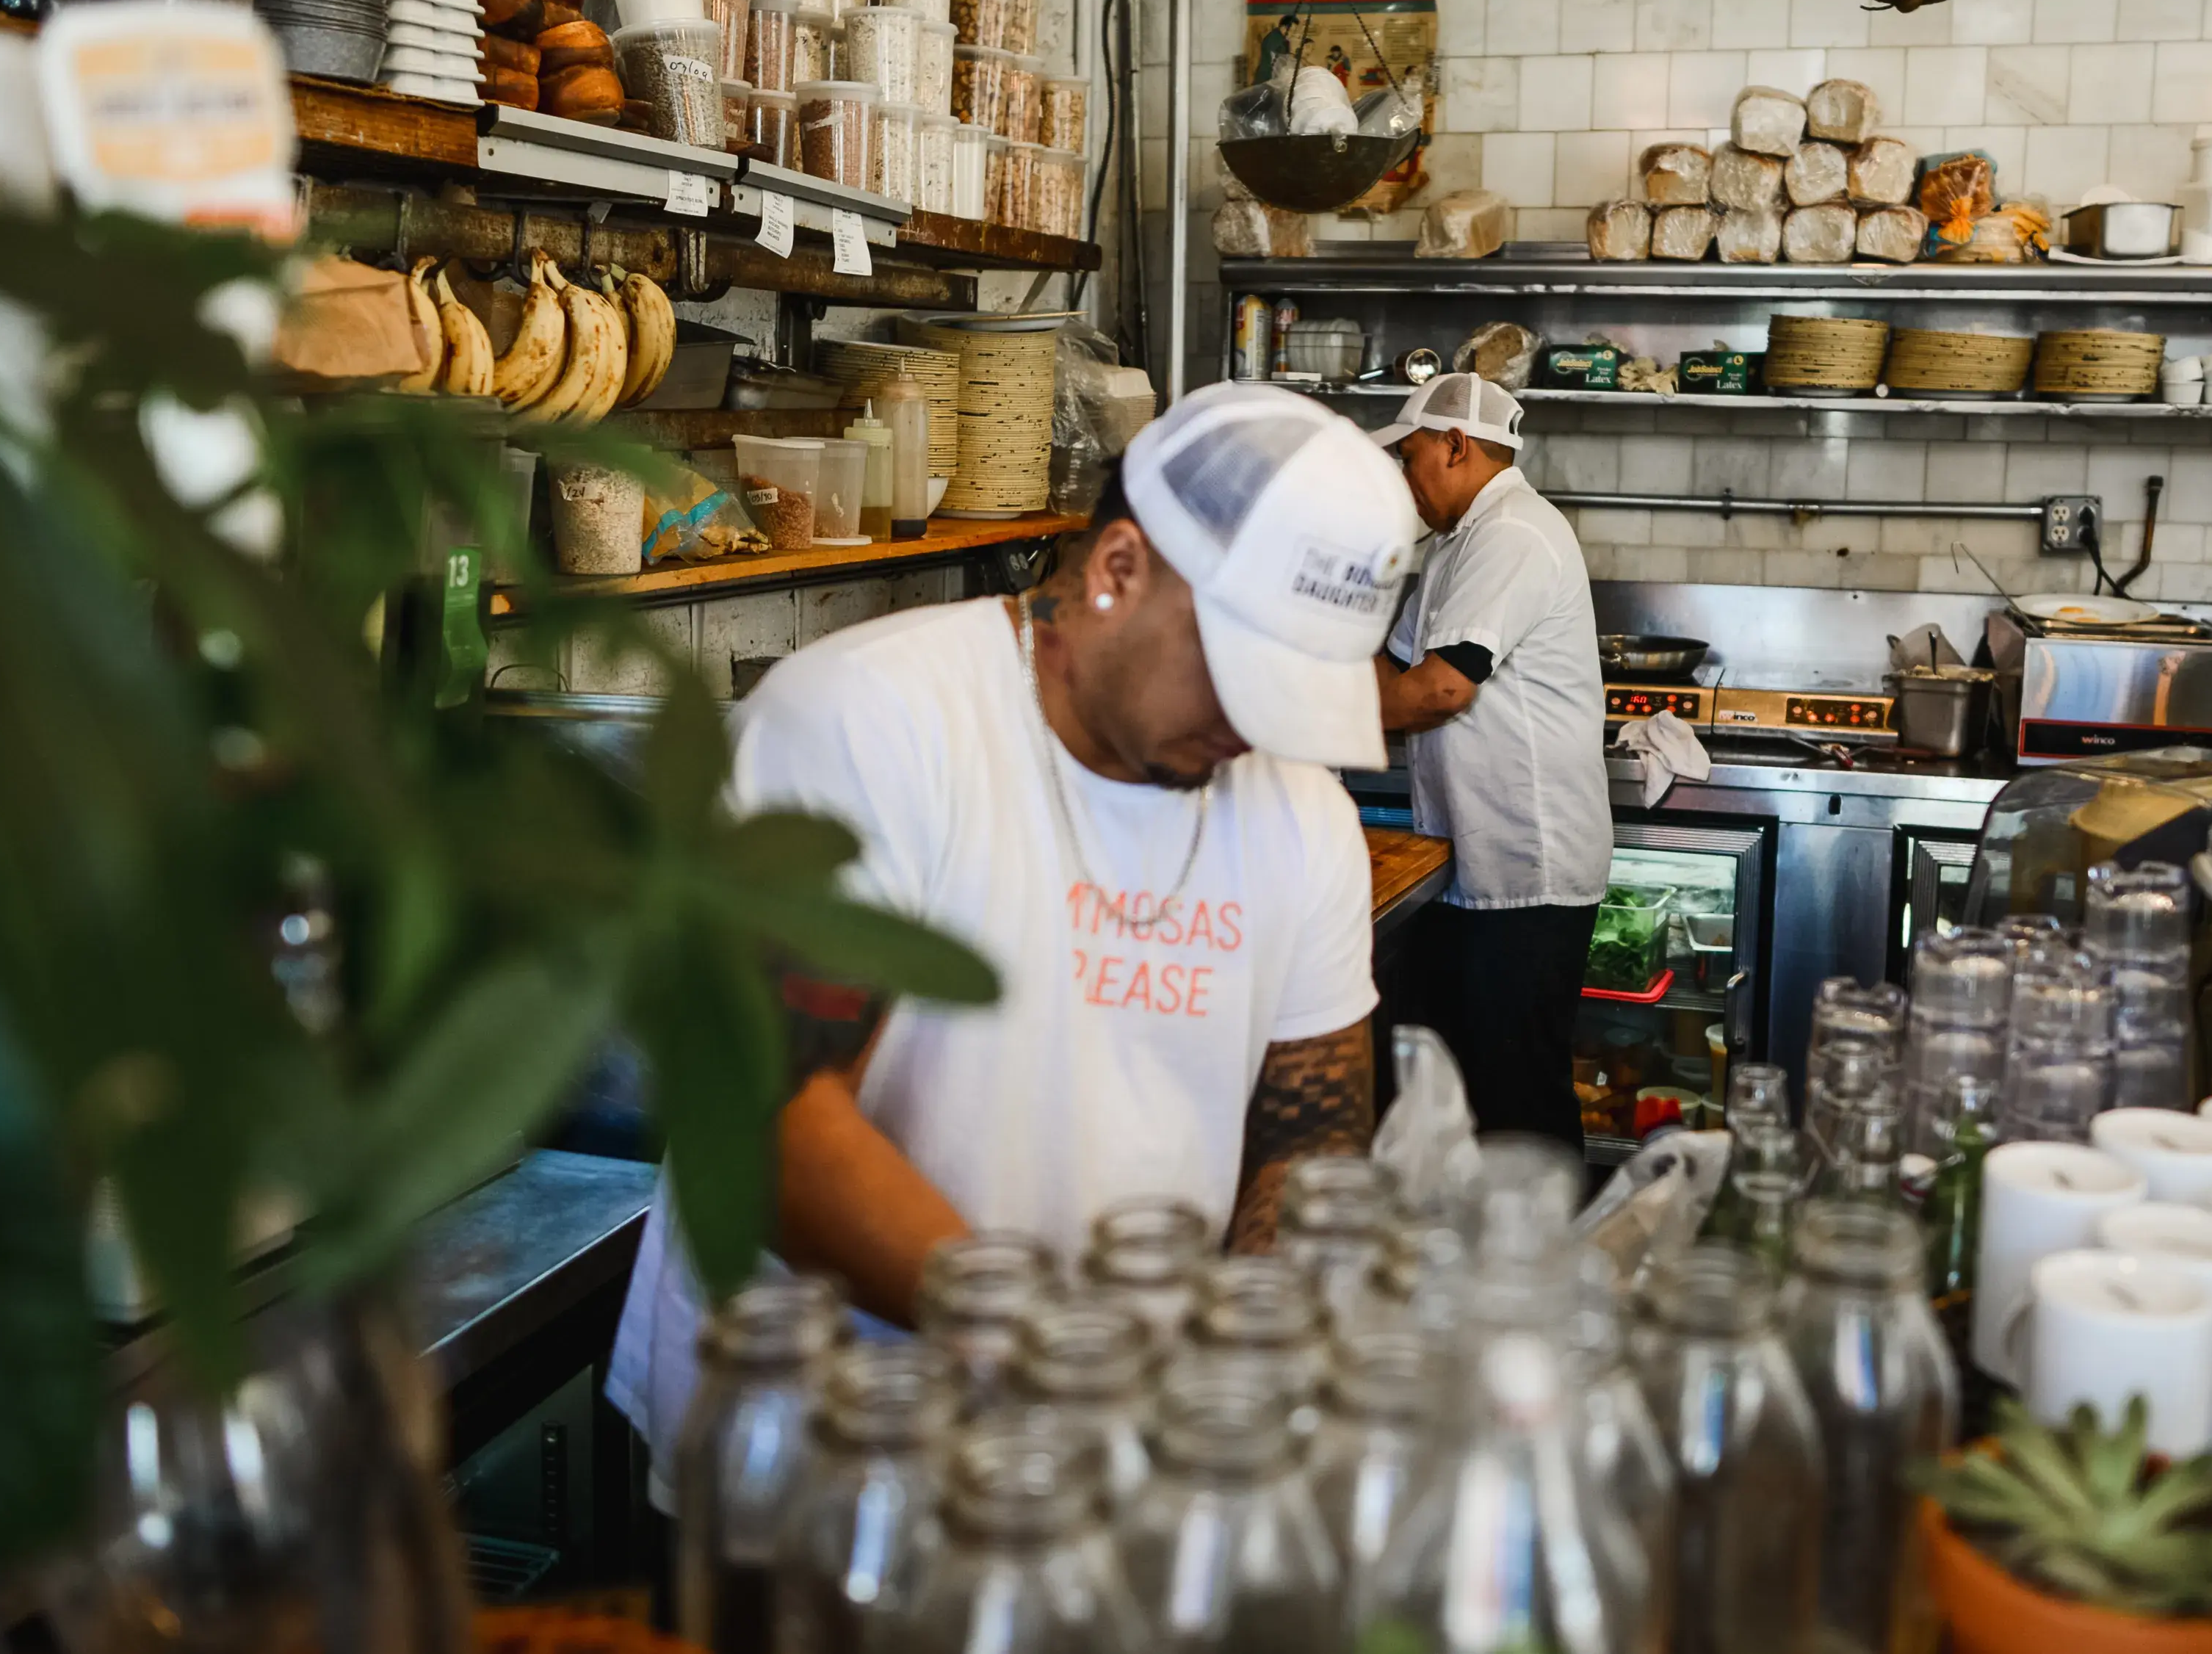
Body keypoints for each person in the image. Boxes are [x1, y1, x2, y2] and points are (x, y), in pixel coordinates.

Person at [607, 383, 1420, 1485]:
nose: (1257, 725)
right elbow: (769, 1120)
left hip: (1108, 1456)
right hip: (819, 1448)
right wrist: (1049, 1348)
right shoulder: (873, 723)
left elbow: (1308, 1142)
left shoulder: (1300, 811)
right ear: (1117, 569)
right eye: (1241, 671)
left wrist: (1243, 1367)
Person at [1372, 373, 1612, 1146]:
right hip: (1471, 865)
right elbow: (1394, 670)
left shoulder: (1512, 532)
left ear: (1455, 444)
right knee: (1460, 1097)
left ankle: (1548, 1259)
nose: (1405, 480)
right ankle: (1471, 1258)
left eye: (1410, 458)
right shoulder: (1456, 543)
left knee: (1520, 1105)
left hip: (1525, 872)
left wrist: (1313, 708)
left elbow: (1438, 689)